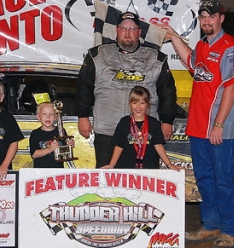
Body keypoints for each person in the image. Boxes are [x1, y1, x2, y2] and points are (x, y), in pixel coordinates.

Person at [161, 0, 234, 247]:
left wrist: (219, 124)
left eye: (212, 16)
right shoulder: (202, 44)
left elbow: (232, 87)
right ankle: (211, 225)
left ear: (222, 18)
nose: (207, 21)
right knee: (204, 179)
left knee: (223, 180)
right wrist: (174, 37)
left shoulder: (231, 48)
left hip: (219, 129)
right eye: (203, 17)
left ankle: (230, 230)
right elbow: (191, 62)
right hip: (198, 126)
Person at [76, 11, 177, 168]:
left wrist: (167, 121)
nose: (127, 33)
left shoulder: (156, 58)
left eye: (132, 29)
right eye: (123, 28)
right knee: (107, 183)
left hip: (145, 134)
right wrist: (82, 116)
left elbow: (167, 93)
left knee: (144, 183)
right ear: (116, 30)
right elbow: (84, 88)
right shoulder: (97, 55)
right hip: (107, 131)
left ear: (139, 32)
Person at [101, 86, 181, 171]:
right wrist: (111, 165)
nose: (138, 107)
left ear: (148, 104)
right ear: (130, 104)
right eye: (134, 103)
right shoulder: (124, 122)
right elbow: (119, 146)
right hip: (127, 169)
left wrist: (169, 165)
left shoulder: (153, 123)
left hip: (149, 169)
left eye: (142, 103)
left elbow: (158, 145)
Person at [29, 101, 75, 168]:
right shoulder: (35, 133)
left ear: (56, 116)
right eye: (44, 114)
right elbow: (34, 154)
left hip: (58, 170)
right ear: (38, 117)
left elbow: (65, 153)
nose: (48, 117)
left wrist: (70, 145)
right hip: (40, 171)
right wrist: (50, 149)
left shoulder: (61, 131)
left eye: (51, 114)